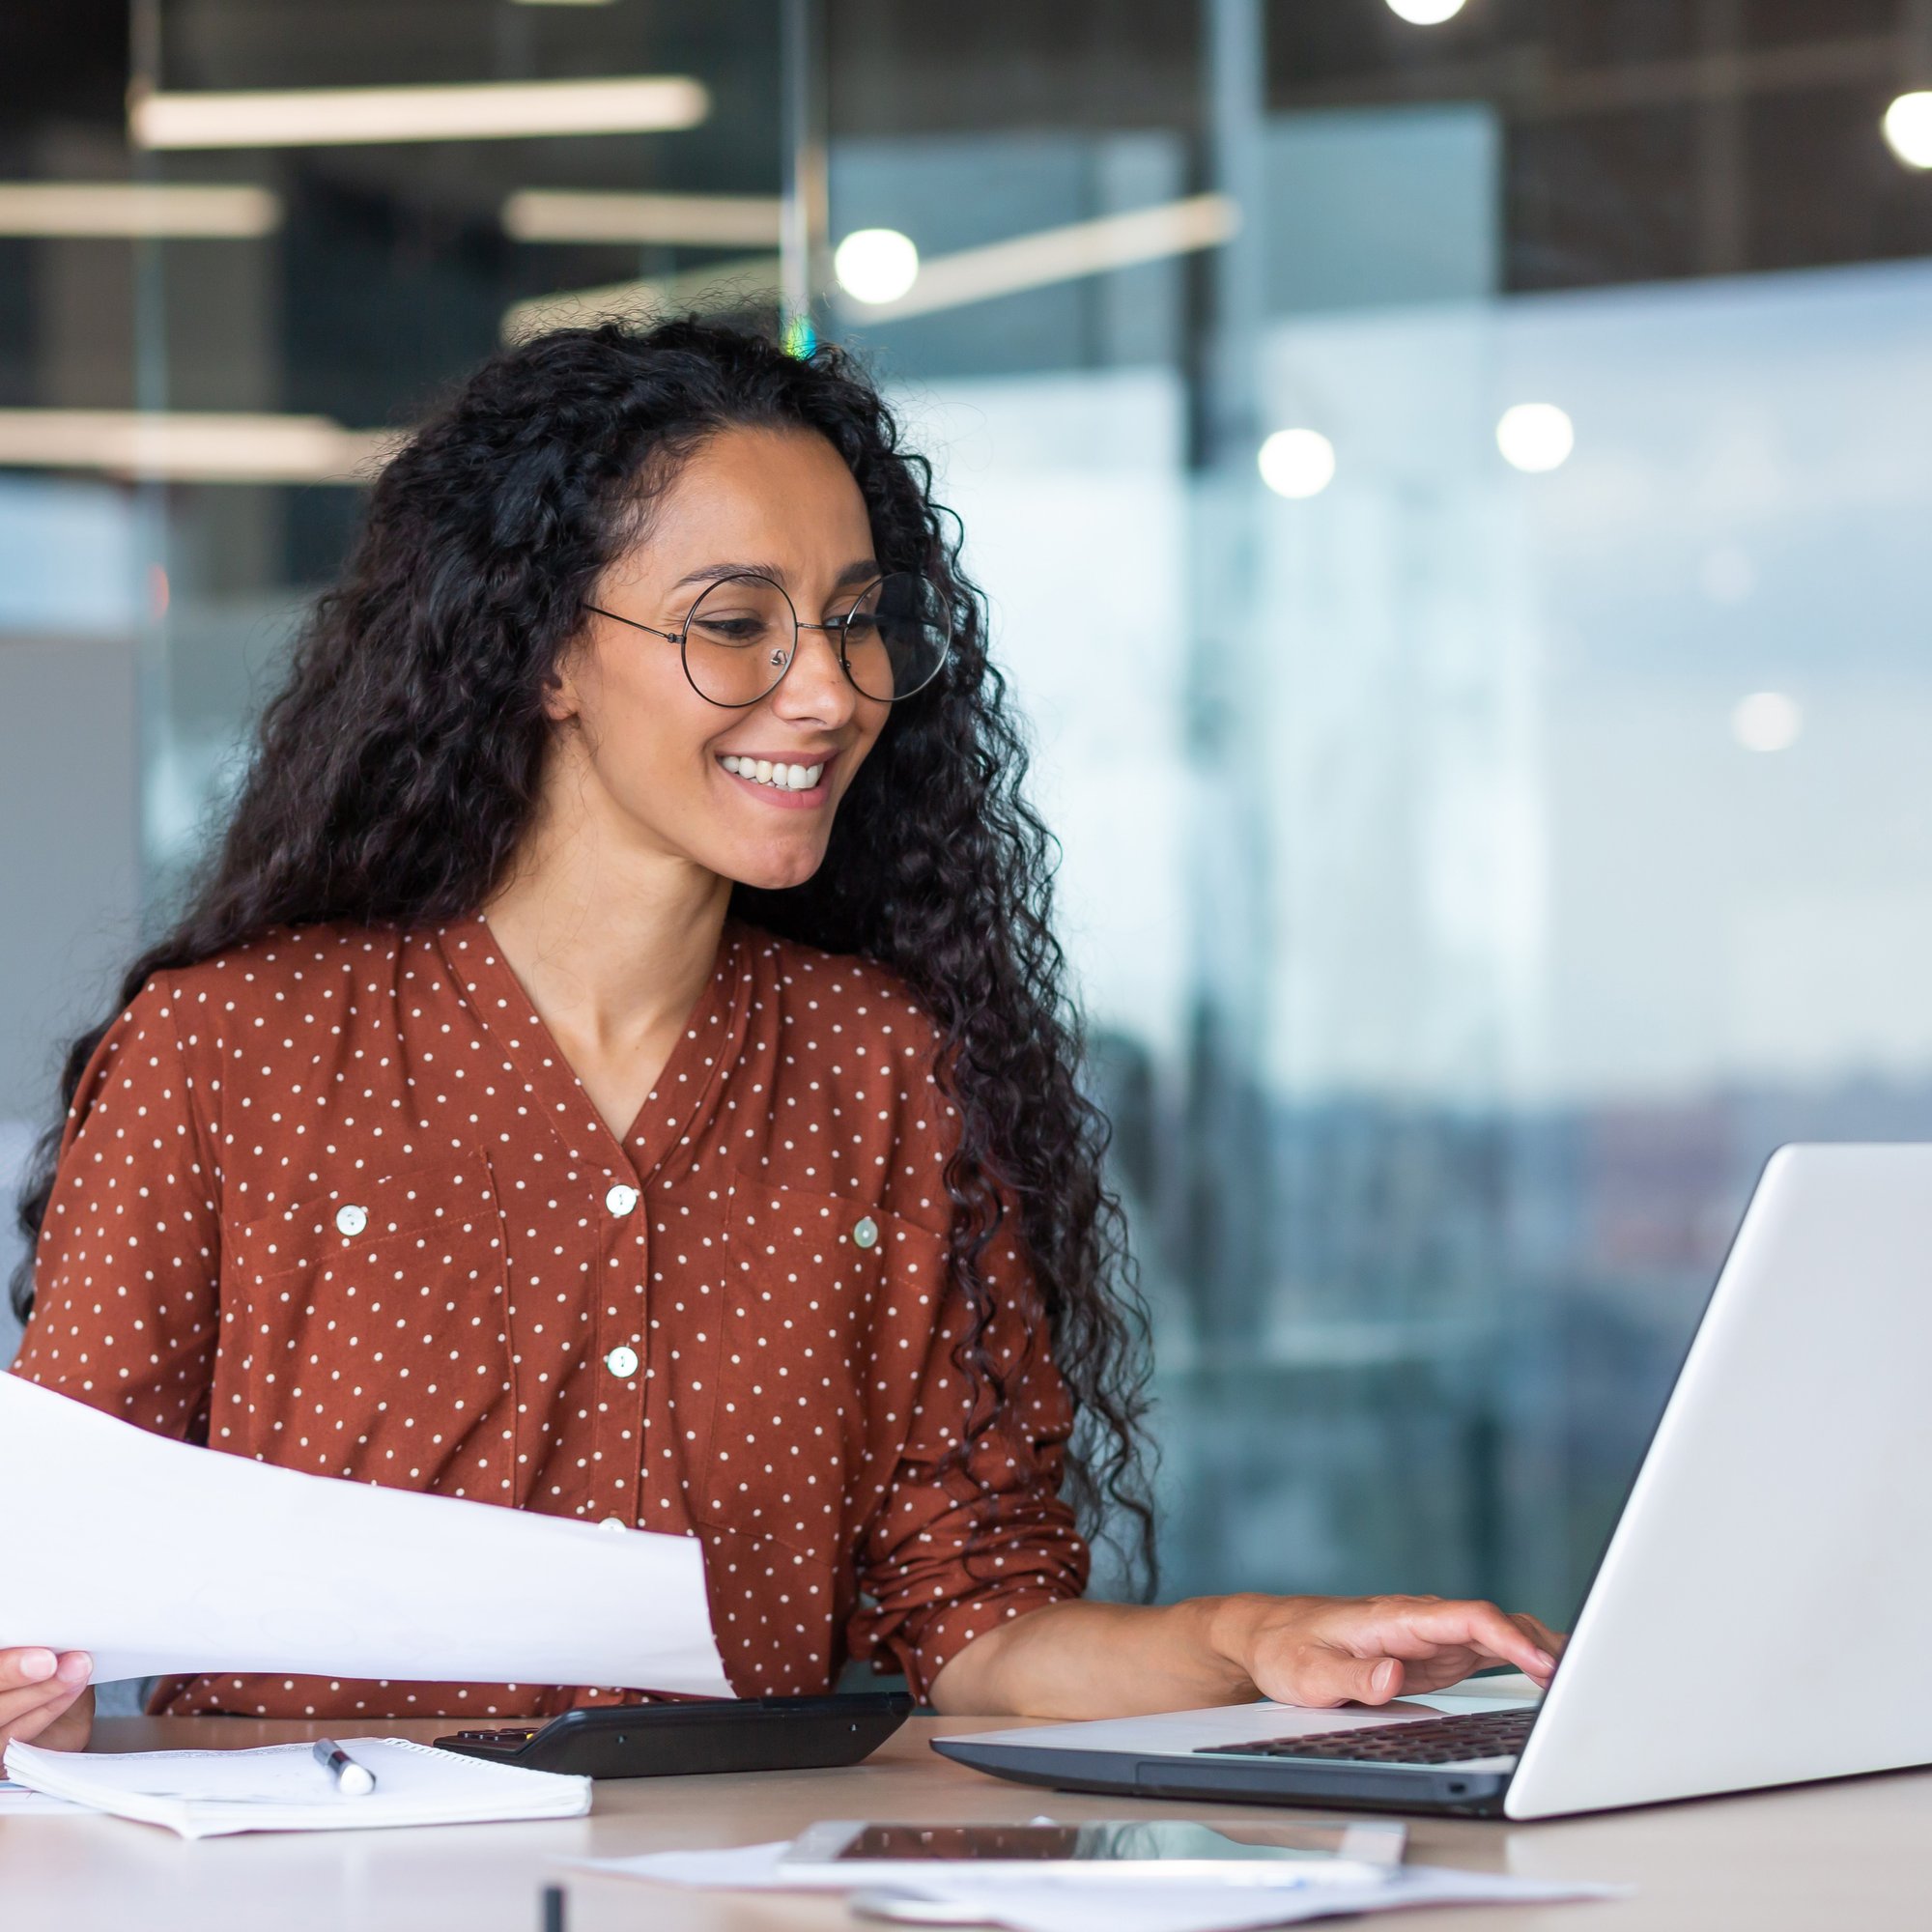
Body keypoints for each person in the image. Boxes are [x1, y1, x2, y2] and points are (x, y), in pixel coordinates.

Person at [1, 319, 1560, 1754]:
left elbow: (982, 1628)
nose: (825, 691)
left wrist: (1259, 1641)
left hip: (745, 1895)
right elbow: (56, 1586)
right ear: (542, 651)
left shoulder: (880, 1068)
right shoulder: (227, 1052)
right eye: (735, 624)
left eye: (855, 623)